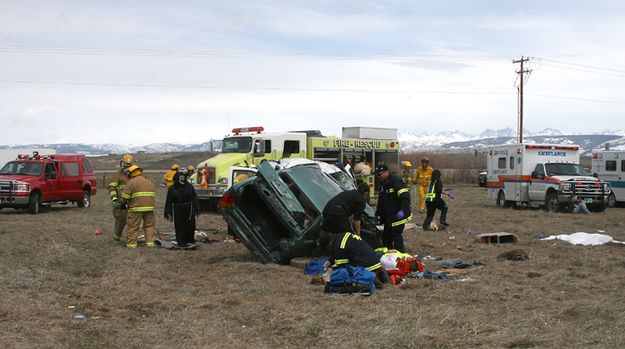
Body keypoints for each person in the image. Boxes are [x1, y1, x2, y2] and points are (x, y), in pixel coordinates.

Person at [320, 232, 388, 284]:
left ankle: (372, 279)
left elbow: (342, 266)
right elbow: (344, 252)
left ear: (329, 244)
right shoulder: (341, 237)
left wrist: (329, 273)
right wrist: (330, 261)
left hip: (366, 264)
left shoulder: (338, 246)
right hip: (373, 260)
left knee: (343, 273)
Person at [374, 163, 412, 252]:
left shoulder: (395, 181)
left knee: (396, 236)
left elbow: (405, 197)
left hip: (399, 216)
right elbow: (382, 201)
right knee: (386, 237)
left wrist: (402, 210)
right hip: (389, 217)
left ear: (386, 172)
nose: (378, 177)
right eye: (377, 174)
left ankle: (401, 255)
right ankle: (389, 254)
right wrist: (378, 214)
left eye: (379, 174)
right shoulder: (383, 183)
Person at [120, 165, 157, 248]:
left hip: (136, 208)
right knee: (149, 226)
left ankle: (131, 244)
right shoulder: (149, 182)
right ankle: (150, 243)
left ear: (131, 173)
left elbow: (125, 197)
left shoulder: (131, 182)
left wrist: (122, 203)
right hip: (150, 208)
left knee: (133, 226)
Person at [164, 170, 200, 248]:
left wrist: (196, 208)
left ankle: (190, 240)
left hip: (189, 208)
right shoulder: (172, 188)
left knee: (190, 225)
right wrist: (168, 212)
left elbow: (194, 198)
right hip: (178, 208)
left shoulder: (189, 187)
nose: (181, 180)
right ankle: (181, 241)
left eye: (183, 178)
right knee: (180, 225)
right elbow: (169, 201)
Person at [108, 154, 134, 242]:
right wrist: (114, 199)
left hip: (133, 202)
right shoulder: (118, 175)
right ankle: (117, 238)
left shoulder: (136, 175)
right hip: (121, 202)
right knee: (120, 221)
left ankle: (131, 239)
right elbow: (112, 187)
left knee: (133, 223)